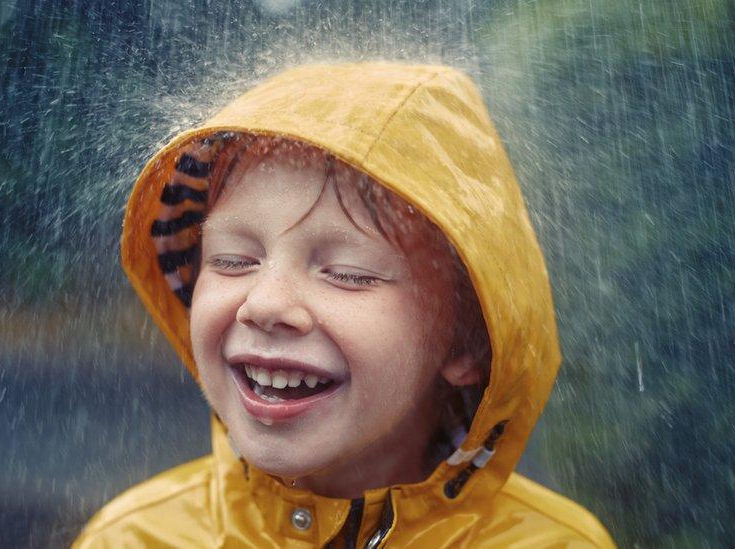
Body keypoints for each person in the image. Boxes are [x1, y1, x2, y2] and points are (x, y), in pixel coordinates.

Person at [73, 62, 615, 548]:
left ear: (469, 338)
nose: (264, 304)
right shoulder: (132, 538)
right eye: (234, 261)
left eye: (347, 274)